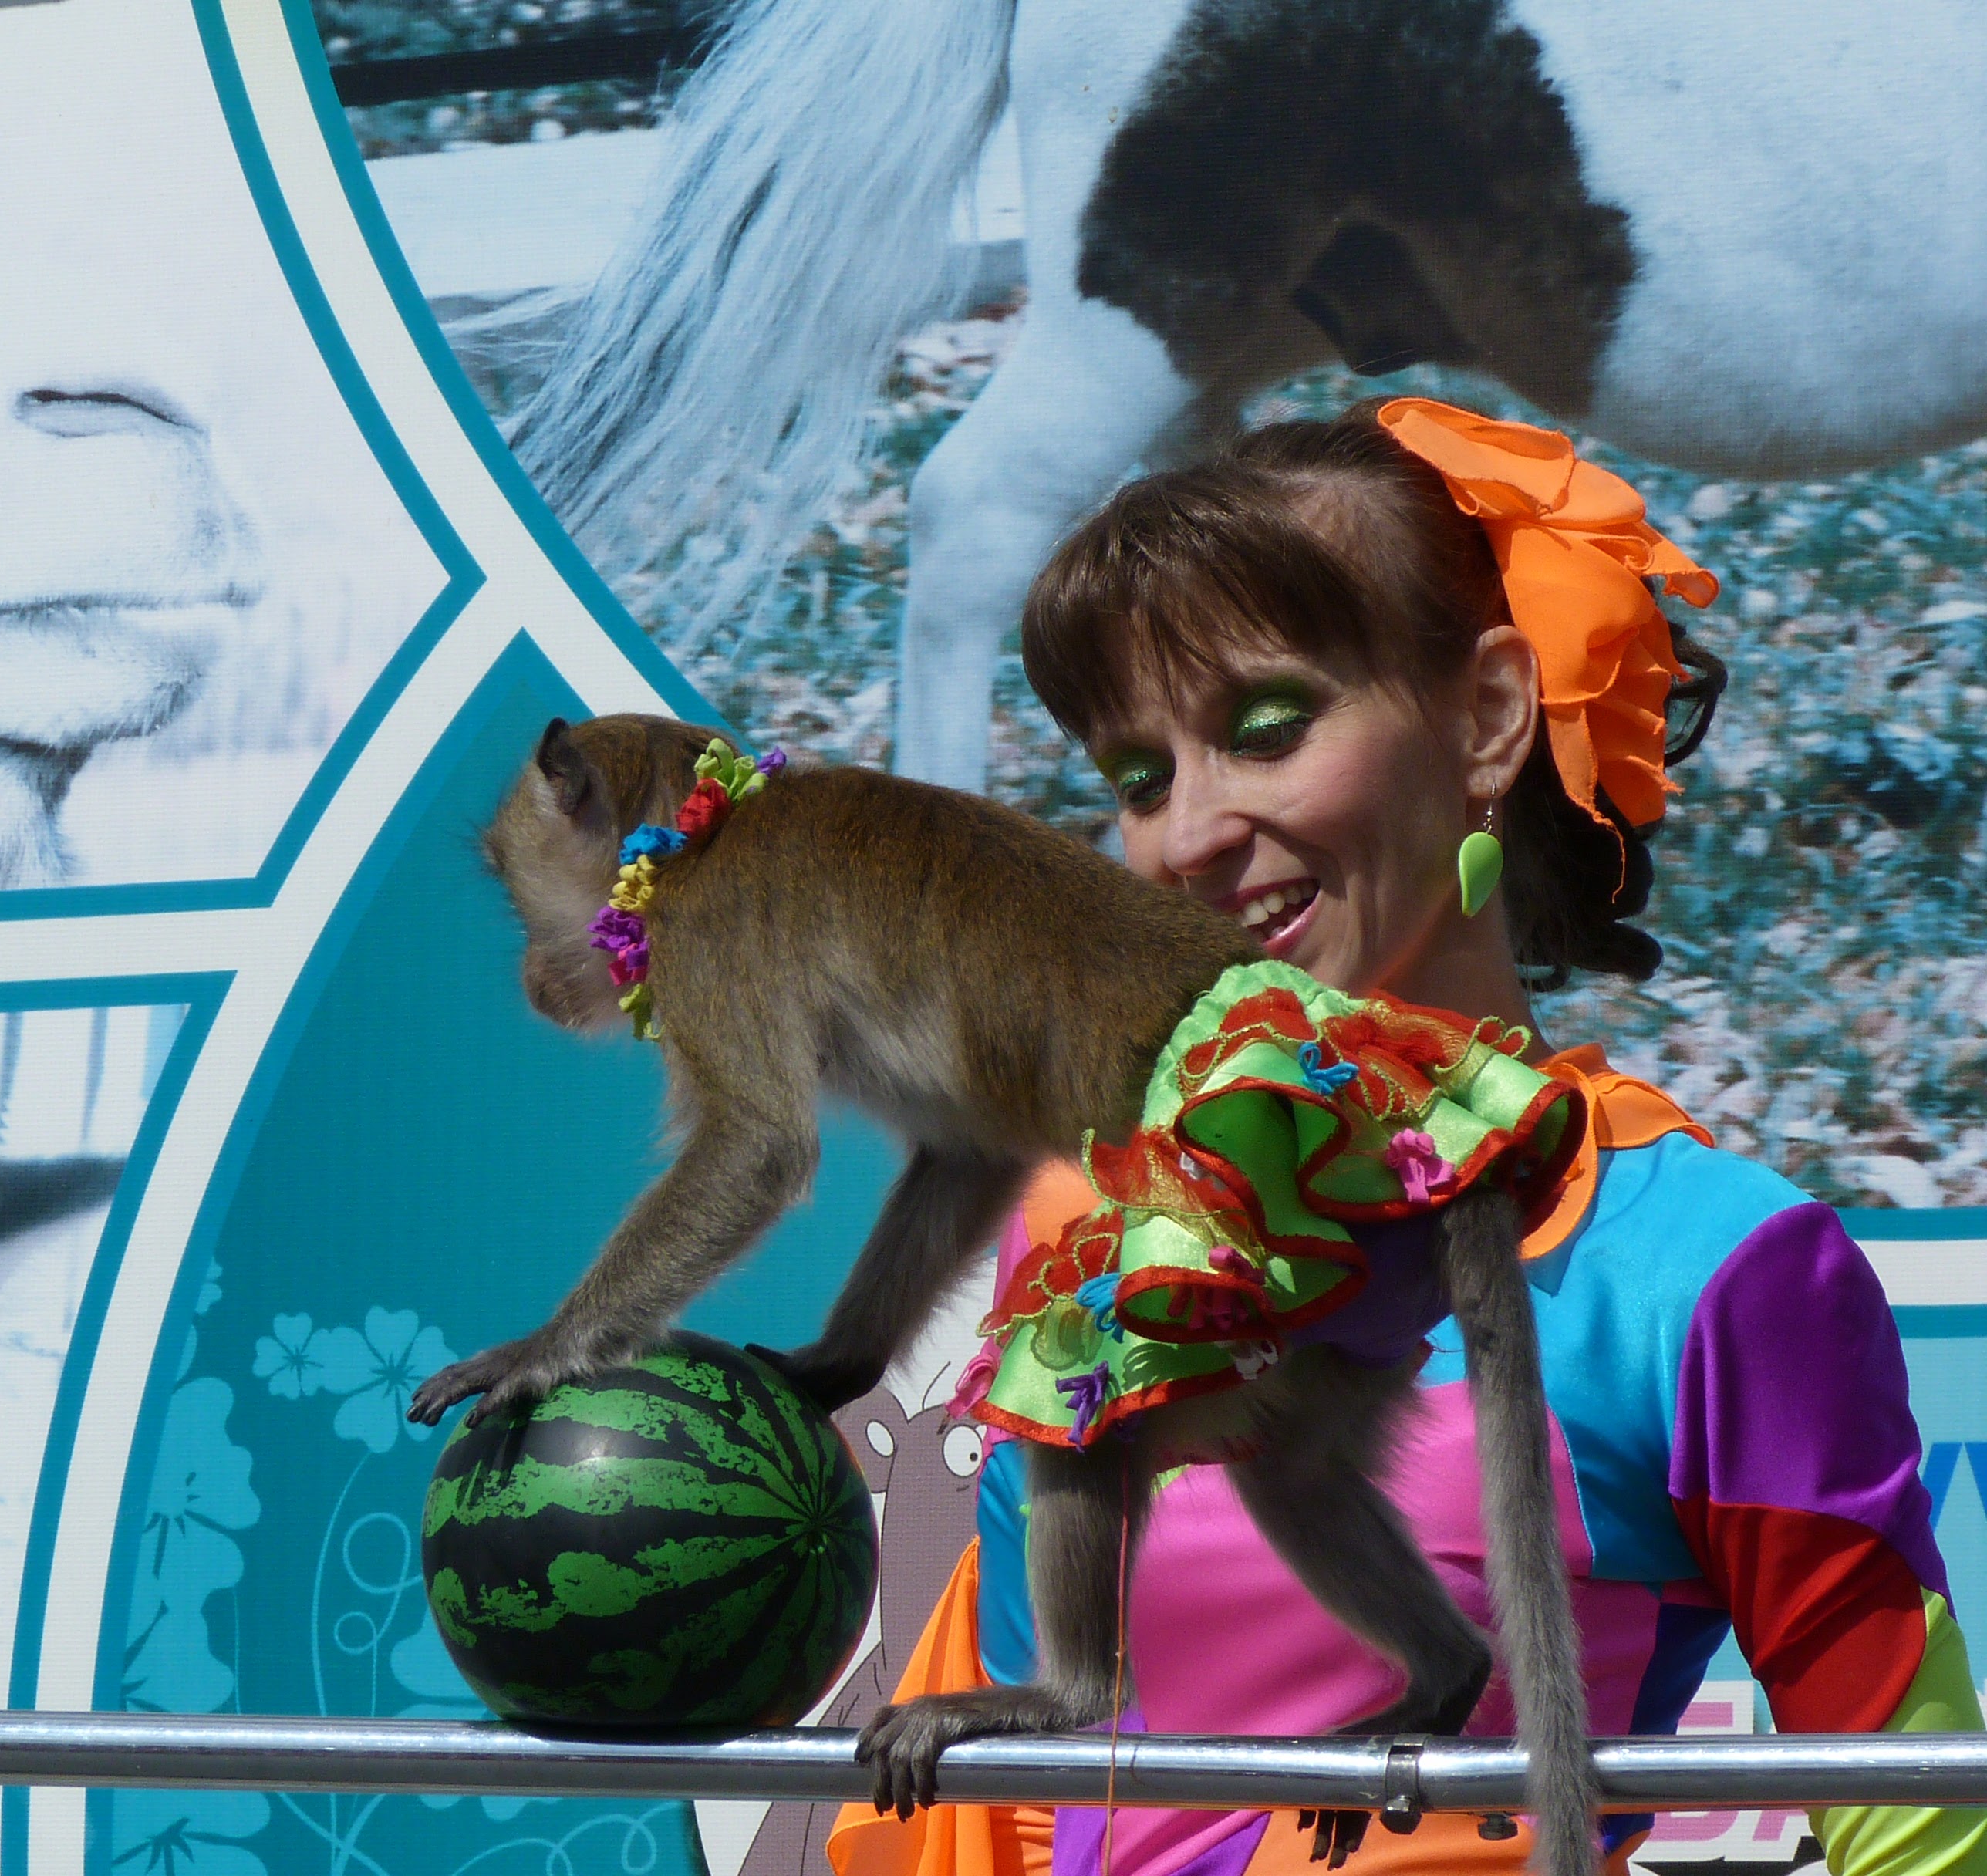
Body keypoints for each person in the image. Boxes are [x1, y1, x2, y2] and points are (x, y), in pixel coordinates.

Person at [823, 396, 1987, 1876]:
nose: (1189, 836)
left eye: (1266, 732)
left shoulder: (1707, 1271)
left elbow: (1924, 1828)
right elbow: (1000, 1810)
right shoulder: (1087, 1219)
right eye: (1140, 777)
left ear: (1489, 718)